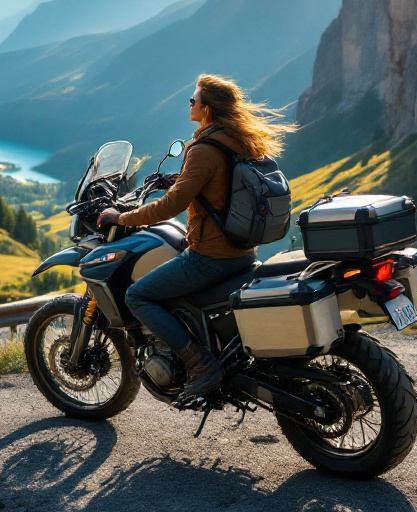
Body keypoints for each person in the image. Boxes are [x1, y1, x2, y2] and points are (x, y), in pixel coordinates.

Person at [97, 73, 294, 397]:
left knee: (138, 296)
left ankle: (201, 363)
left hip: (210, 257)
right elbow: (221, 185)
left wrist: (123, 216)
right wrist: (182, 176)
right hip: (242, 253)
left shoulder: (204, 148)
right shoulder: (241, 140)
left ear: (208, 109)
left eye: (193, 100)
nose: (189, 103)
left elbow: (170, 206)